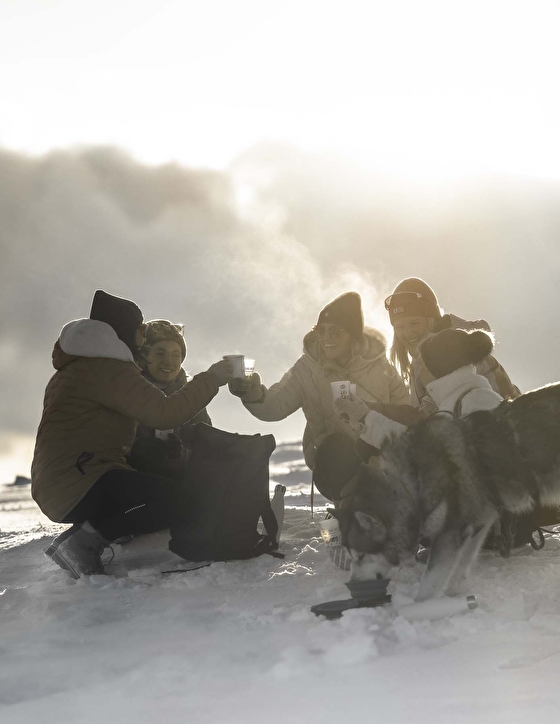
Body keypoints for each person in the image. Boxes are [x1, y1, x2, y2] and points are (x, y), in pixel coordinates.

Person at [32, 290, 232, 578]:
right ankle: (82, 544)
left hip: (62, 481)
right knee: (178, 501)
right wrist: (212, 378)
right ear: (123, 330)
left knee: (156, 488)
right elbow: (165, 412)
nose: (142, 336)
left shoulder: (79, 366)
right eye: (139, 329)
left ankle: (84, 537)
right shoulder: (108, 368)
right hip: (82, 479)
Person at [228, 291, 409, 505]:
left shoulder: (379, 365)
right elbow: (274, 406)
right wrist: (252, 392)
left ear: (353, 334)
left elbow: (406, 411)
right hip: (333, 461)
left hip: (380, 458)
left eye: (335, 331)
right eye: (320, 331)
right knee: (337, 449)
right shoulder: (307, 369)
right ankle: (346, 510)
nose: (326, 338)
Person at [335, 328, 503, 449]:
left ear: (438, 367)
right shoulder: (450, 403)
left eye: (421, 364)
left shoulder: (478, 400)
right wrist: (363, 415)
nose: (418, 370)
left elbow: (418, 451)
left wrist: (365, 418)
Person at [385, 277, 519, 416]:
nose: (407, 333)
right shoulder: (421, 360)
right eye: (399, 327)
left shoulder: (457, 354)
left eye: (415, 323)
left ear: (431, 320)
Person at [127, 319, 212, 481]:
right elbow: (103, 437)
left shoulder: (192, 396)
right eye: (160, 353)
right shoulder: (127, 390)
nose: (168, 361)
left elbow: (206, 450)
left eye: (176, 355)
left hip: (179, 485)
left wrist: (180, 455)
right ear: (144, 356)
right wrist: (135, 448)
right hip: (129, 480)